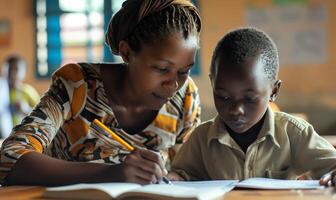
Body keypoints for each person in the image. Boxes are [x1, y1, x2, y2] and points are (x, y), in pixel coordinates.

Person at [0, 0, 201, 186]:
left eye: (184, 71)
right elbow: (10, 157)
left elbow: (190, 169)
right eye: (161, 69)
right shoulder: (77, 85)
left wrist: (171, 177)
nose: (174, 84)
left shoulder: (185, 97)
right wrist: (111, 174)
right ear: (126, 52)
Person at [170, 27, 336, 186]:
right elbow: (181, 174)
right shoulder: (201, 138)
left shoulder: (294, 133)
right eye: (223, 97)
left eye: (249, 98)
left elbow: (332, 165)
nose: (236, 109)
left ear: (274, 91)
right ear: (213, 83)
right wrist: (171, 178)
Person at [0, 55, 40, 136]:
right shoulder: (2, 92)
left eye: (16, 69)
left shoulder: (28, 91)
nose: (12, 73)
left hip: (23, 136)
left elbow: (41, 116)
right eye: (9, 69)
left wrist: (25, 110)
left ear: (24, 72)